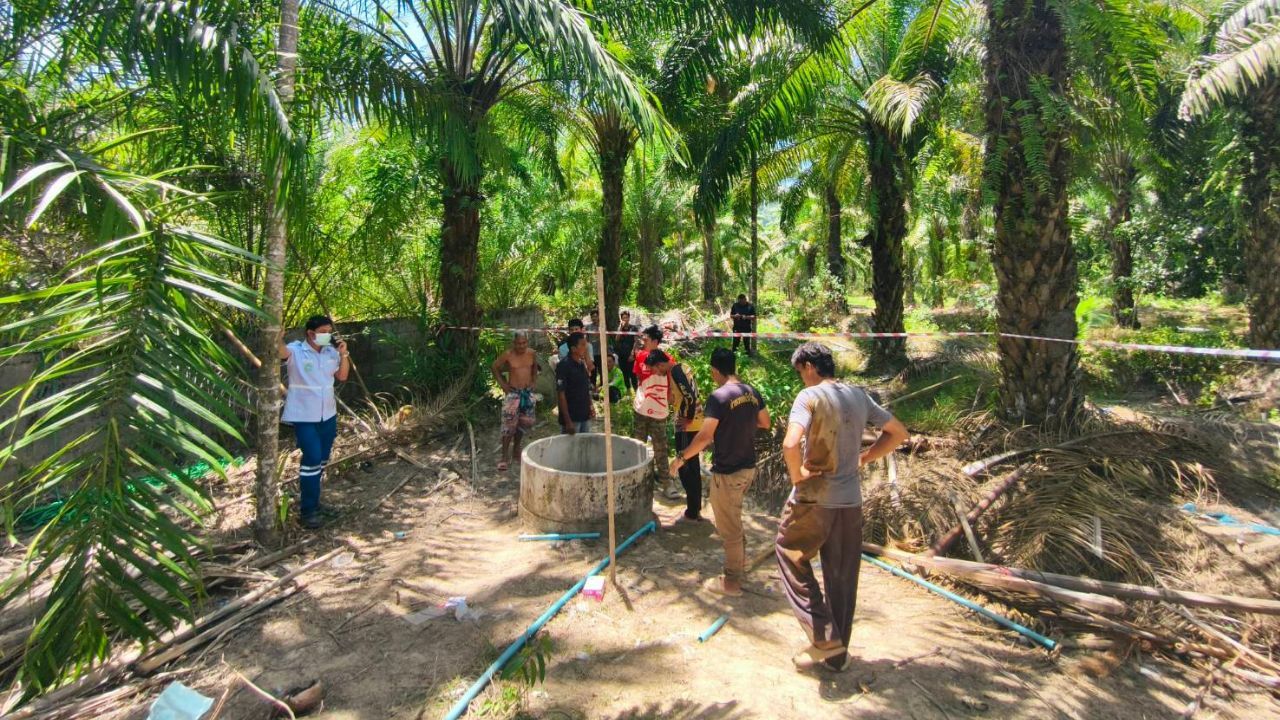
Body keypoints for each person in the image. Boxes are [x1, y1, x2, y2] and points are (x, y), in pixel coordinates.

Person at [776, 342, 909, 672]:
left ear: (809, 366)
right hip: (851, 501)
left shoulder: (809, 397)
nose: (801, 379)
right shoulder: (859, 396)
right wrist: (865, 457)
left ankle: (823, 637)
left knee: (789, 552)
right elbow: (898, 433)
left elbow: (791, 443)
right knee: (842, 576)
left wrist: (798, 474)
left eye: (799, 372)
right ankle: (837, 658)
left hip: (814, 499)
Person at [671, 348, 770, 596]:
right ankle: (741, 564)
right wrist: (739, 425)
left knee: (729, 528)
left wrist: (681, 459)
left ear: (715, 370)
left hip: (728, 471)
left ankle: (732, 583)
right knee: (734, 519)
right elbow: (764, 422)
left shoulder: (719, 397)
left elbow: (704, 437)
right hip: (748, 466)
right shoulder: (751, 391)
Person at [279, 315, 351, 530]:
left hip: (327, 414)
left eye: (329, 331)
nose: (327, 335)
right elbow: (281, 352)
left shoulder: (331, 352)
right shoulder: (296, 351)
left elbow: (343, 376)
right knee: (311, 457)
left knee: (321, 459)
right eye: (323, 331)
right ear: (311, 333)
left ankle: (315, 503)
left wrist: (344, 354)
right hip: (304, 415)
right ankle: (308, 511)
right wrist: (277, 337)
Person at [632, 335, 675, 496]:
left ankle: (666, 483)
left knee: (661, 449)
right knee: (638, 446)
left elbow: (671, 367)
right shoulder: (643, 357)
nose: (644, 343)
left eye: (648, 340)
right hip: (641, 410)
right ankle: (638, 481)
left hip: (660, 413)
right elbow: (637, 373)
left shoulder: (672, 366)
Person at [492, 331, 540, 472]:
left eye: (524, 342)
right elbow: (494, 367)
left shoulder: (531, 353)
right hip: (513, 393)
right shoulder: (508, 354)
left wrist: (534, 381)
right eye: (519, 343)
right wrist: (503, 385)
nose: (521, 346)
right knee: (508, 426)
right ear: (514, 343)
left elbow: (535, 367)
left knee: (524, 423)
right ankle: (504, 457)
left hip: (527, 393)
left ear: (527, 342)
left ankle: (516, 449)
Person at [668, 353, 706, 519]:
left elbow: (689, 396)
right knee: (693, 464)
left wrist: (688, 418)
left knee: (684, 466)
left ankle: (692, 510)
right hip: (696, 421)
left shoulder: (676, 371)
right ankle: (695, 507)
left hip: (687, 425)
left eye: (654, 369)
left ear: (660, 365)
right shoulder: (683, 367)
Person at [556, 332, 595, 434]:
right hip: (572, 417)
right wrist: (568, 421)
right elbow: (561, 394)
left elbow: (586, 388)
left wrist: (590, 406)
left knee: (584, 445)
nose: (585, 347)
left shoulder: (581, 364)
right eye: (582, 345)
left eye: (585, 344)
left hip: (584, 414)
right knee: (570, 447)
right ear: (573, 349)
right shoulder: (563, 366)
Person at [615, 310, 639, 393]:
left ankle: (636, 390)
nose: (625, 319)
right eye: (623, 318)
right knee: (624, 373)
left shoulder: (633, 328)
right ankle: (628, 390)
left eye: (626, 317)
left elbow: (636, 341)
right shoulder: (620, 328)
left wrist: (632, 354)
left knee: (633, 374)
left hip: (631, 354)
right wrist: (621, 328)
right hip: (622, 355)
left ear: (629, 318)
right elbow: (616, 339)